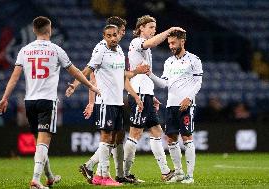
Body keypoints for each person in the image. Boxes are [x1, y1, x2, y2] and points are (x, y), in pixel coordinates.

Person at [0, 16, 100, 189]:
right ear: (49, 30)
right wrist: (91, 86)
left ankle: (50, 177)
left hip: (29, 102)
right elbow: (75, 72)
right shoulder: (56, 50)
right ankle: (36, 179)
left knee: (39, 142)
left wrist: (4, 97)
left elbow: (14, 79)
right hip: (47, 101)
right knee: (43, 142)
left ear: (34, 31)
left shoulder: (24, 50)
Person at [67, 24, 144, 186]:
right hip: (105, 101)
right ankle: (103, 176)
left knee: (116, 138)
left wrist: (135, 95)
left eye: (115, 35)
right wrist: (75, 85)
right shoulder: (101, 50)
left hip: (117, 102)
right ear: (104, 36)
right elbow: (87, 70)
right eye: (109, 35)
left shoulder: (120, 51)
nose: (113, 38)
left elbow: (122, 76)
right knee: (106, 137)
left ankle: (96, 173)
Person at [123, 15, 186, 182]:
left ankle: (165, 172)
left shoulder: (144, 48)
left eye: (154, 27)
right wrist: (170, 31)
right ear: (141, 28)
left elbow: (145, 75)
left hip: (146, 94)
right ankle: (124, 174)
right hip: (139, 94)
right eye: (150, 27)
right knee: (135, 133)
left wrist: (152, 96)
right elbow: (152, 42)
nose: (153, 30)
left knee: (157, 131)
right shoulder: (137, 41)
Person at [143, 30, 203, 184]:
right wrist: (150, 74)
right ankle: (179, 172)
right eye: (169, 43)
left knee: (187, 137)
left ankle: (190, 175)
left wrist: (189, 98)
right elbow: (164, 83)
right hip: (171, 105)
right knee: (170, 138)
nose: (171, 46)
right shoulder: (168, 61)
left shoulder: (194, 60)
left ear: (182, 41)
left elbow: (198, 82)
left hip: (186, 105)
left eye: (173, 43)